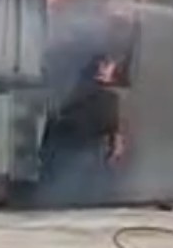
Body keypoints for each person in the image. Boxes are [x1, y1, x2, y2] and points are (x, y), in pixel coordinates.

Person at [36, 56, 126, 208]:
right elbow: (112, 129)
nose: (107, 70)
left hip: (85, 153)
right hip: (76, 152)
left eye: (108, 67)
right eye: (105, 66)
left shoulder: (106, 98)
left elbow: (113, 130)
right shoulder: (98, 97)